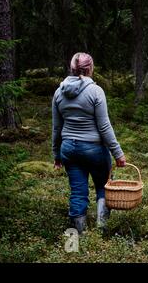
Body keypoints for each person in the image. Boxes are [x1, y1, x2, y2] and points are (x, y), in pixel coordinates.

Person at [52, 52, 126, 234]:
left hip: (68, 148)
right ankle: (101, 230)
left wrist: (56, 155)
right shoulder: (95, 91)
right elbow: (104, 126)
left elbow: (56, 128)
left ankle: (79, 235)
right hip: (94, 149)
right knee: (103, 186)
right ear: (90, 69)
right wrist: (118, 153)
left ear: (72, 68)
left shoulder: (58, 93)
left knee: (78, 192)